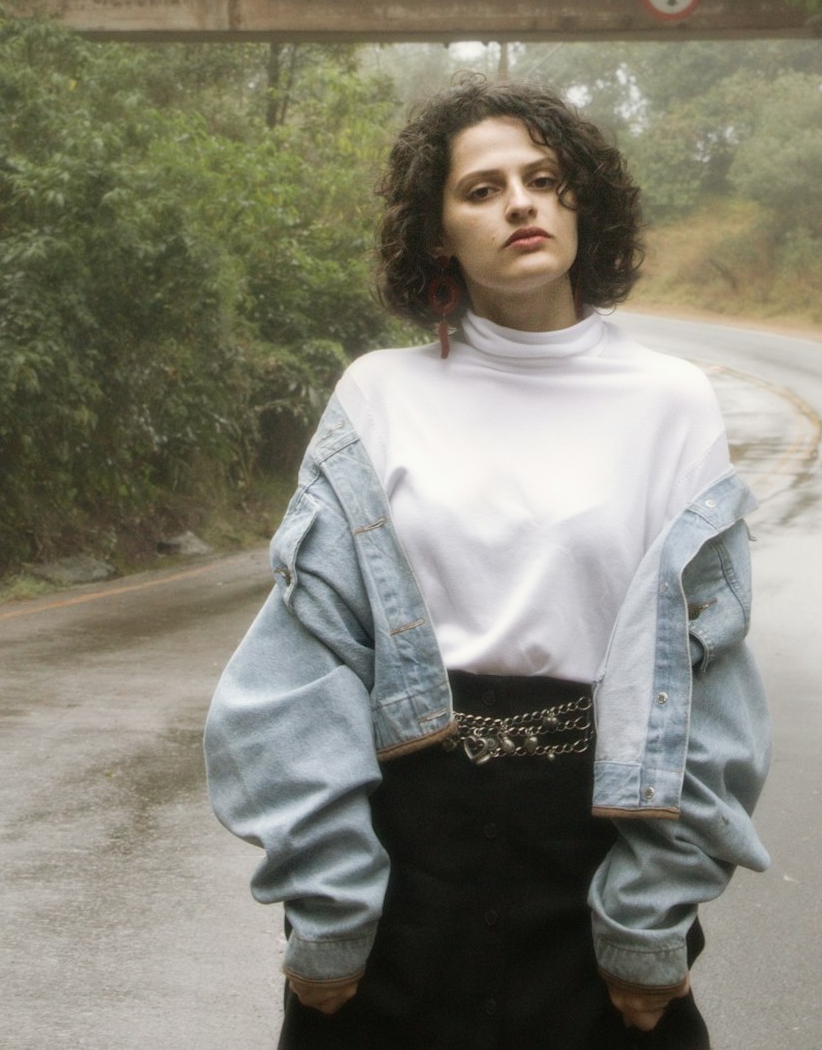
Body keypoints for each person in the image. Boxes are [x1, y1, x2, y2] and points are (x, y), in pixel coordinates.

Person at [204, 77, 771, 1049]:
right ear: (436, 234)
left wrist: (649, 916)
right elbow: (306, 661)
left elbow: (707, 673)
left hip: (596, 844)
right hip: (402, 852)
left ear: (581, 202)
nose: (520, 202)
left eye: (544, 178)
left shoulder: (669, 401)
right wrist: (332, 902)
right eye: (481, 189)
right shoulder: (379, 396)